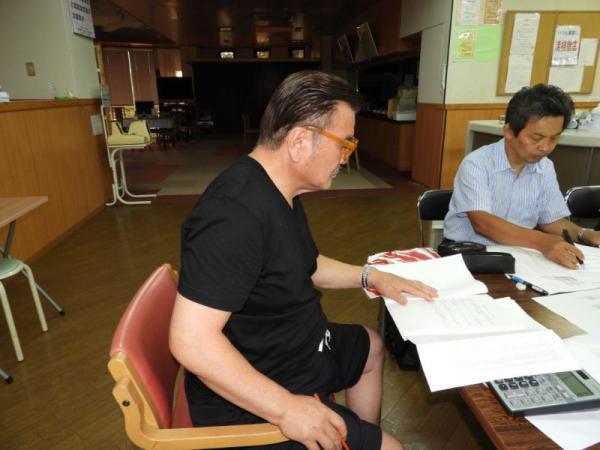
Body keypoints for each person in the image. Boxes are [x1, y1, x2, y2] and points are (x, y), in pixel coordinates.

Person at [169, 71, 437, 450]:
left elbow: (306, 265)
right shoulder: (233, 215)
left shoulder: (280, 191)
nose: (346, 157)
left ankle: (359, 439)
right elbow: (191, 341)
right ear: (299, 141)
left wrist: (372, 277)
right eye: (343, 144)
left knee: (371, 346)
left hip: (299, 345)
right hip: (259, 387)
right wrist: (285, 409)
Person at [444, 84, 600, 269]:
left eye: (554, 138)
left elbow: (552, 220)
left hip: (520, 253)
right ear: (509, 132)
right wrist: (543, 242)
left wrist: (584, 234)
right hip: (469, 253)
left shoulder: (545, 167)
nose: (545, 147)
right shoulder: (477, 164)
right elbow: (483, 223)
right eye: (536, 138)